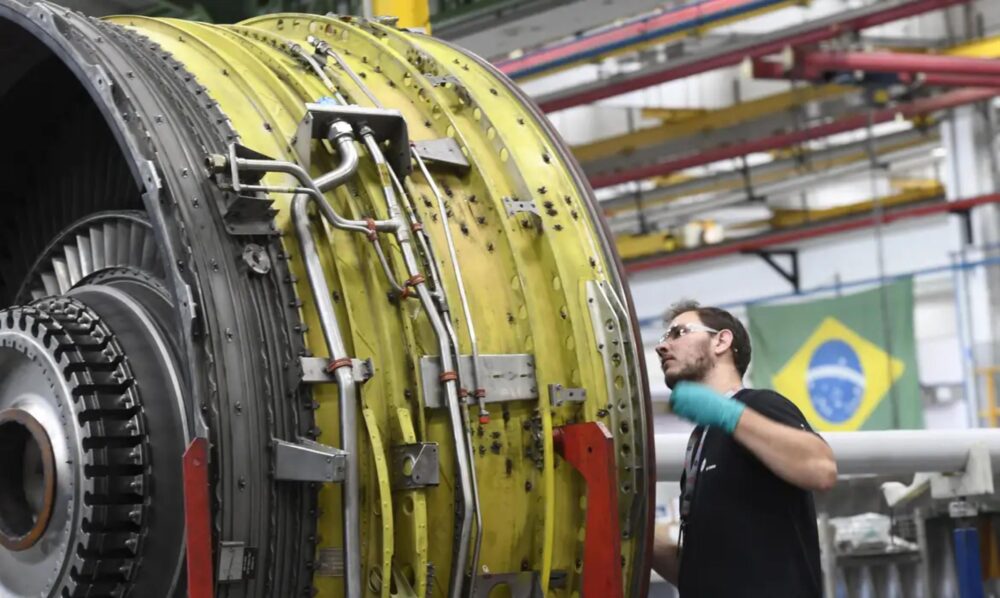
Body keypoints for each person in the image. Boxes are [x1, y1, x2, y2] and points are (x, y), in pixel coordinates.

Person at [651, 300, 837, 597]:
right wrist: (634, 531)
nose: (662, 347)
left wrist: (729, 414)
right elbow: (703, 574)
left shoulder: (760, 405)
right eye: (663, 338)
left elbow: (821, 468)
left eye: (679, 333)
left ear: (721, 340)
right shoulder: (701, 440)